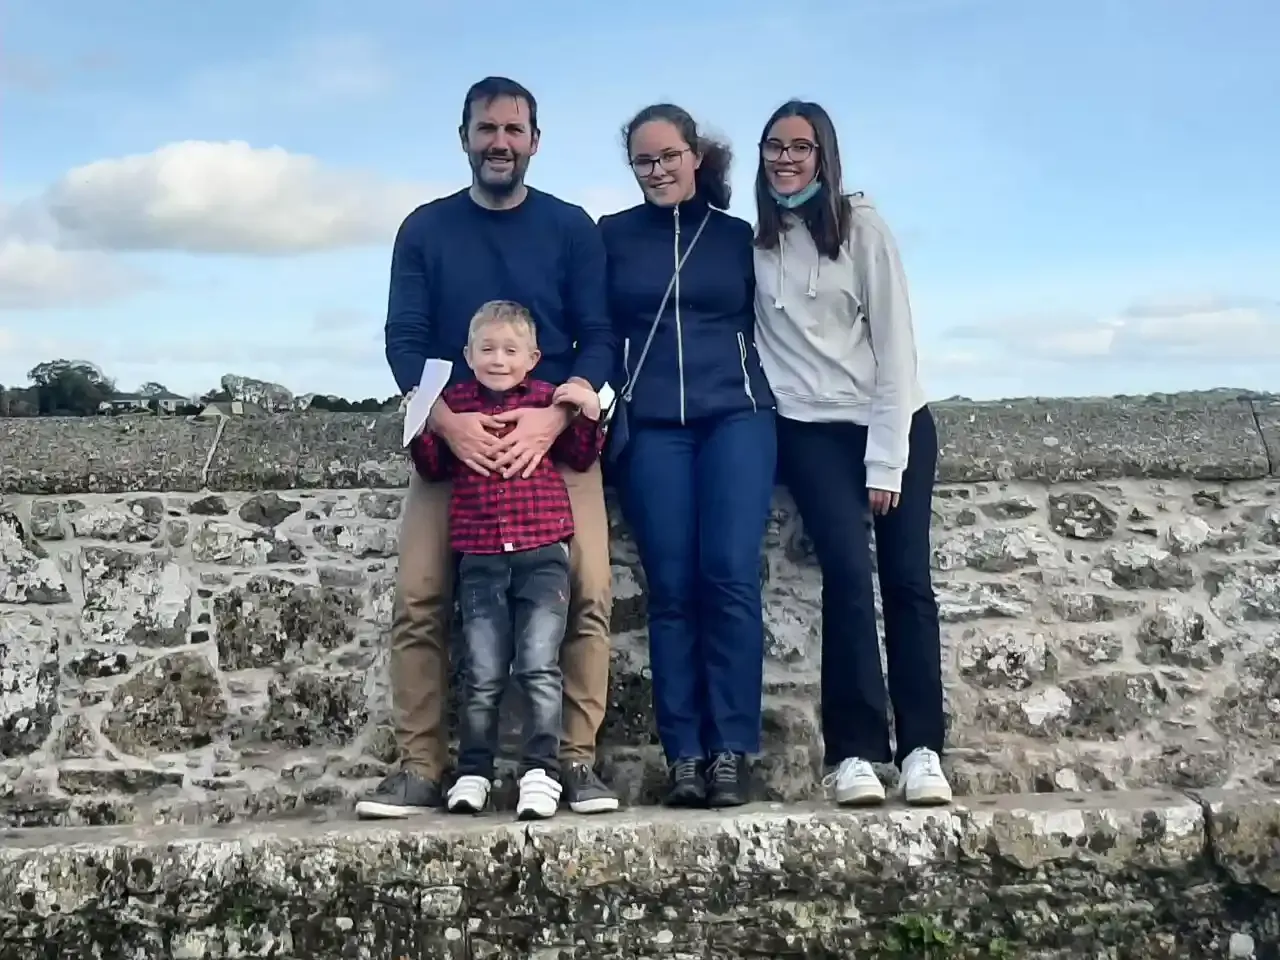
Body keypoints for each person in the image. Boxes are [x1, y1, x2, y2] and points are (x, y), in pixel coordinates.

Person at [356, 76, 619, 820]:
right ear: (464, 137)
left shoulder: (570, 228)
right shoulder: (425, 229)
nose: (499, 142)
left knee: (590, 593)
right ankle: (422, 768)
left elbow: (600, 337)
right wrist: (447, 423)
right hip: (453, 439)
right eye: (486, 129)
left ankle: (573, 763)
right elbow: (404, 339)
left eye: (513, 129)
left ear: (534, 140)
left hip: (554, 444)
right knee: (419, 598)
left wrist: (555, 419)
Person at [751, 99, 952, 807]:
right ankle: (855, 753)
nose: (785, 158)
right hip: (809, 429)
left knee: (906, 581)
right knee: (845, 572)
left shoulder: (863, 228)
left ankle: (923, 749)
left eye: (800, 146)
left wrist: (886, 460)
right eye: (774, 146)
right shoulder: (757, 241)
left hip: (889, 420)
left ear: (824, 156)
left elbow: (897, 347)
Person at [599, 104, 776, 809]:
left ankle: (731, 750)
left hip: (737, 416)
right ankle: (686, 757)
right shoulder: (611, 236)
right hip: (652, 427)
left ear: (695, 156)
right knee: (671, 590)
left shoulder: (738, 237)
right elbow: (593, 328)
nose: (657, 170)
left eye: (669, 156)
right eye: (643, 161)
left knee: (728, 576)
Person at [408, 301, 603, 820]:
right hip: (480, 559)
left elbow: (581, 455)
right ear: (467, 355)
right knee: (482, 672)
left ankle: (542, 772)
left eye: (511, 350)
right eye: (487, 349)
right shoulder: (455, 406)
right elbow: (431, 468)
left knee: (539, 666)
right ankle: (473, 772)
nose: (498, 360)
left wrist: (587, 412)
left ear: (533, 357)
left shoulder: (547, 402)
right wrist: (427, 423)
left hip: (543, 557)